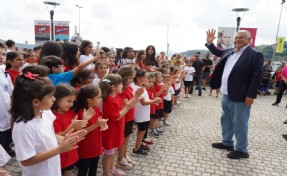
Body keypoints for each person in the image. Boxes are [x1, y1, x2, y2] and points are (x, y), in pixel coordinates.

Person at [10, 73, 86, 176]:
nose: (54, 99)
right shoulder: (23, 127)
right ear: (36, 102)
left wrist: (64, 139)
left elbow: (50, 135)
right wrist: (59, 149)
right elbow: (26, 160)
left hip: (52, 170)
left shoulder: (45, 113)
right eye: (50, 97)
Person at [205, 29, 263, 159]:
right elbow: (217, 52)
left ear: (249, 40)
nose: (237, 40)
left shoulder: (255, 54)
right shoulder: (230, 51)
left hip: (241, 96)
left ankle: (242, 150)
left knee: (240, 123)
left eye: (241, 38)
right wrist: (209, 43)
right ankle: (227, 143)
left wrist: (250, 95)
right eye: (236, 38)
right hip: (226, 93)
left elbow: (257, 77)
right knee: (225, 119)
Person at [99, 74, 139, 176]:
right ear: (113, 87)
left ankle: (111, 169)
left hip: (116, 129)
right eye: (120, 84)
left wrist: (133, 100)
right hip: (111, 131)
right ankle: (106, 173)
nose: (122, 86)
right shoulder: (109, 100)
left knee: (113, 152)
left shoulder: (115, 97)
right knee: (108, 154)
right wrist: (127, 107)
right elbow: (116, 116)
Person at [52, 84, 90, 176]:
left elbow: (78, 131)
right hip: (60, 154)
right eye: (68, 101)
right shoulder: (52, 116)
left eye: (73, 101)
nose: (71, 104)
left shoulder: (71, 113)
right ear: (57, 99)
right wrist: (71, 126)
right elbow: (58, 137)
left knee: (69, 171)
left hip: (71, 152)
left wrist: (84, 120)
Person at [74, 85, 108, 176]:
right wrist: (97, 124)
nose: (101, 99)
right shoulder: (82, 113)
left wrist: (101, 124)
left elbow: (97, 121)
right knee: (83, 171)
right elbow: (82, 131)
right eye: (98, 97)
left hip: (95, 146)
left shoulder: (95, 108)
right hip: (86, 148)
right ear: (89, 100)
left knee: (94, 169)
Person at [132, 70, 161, 156]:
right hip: (141, 113)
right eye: (145, 77)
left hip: (144, 113)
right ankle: (136, 148)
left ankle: (140, 145)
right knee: (141, 131)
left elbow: (146, 100)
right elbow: (143, 102)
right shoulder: (138, 88)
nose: (146, 79)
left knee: (143, 130)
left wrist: (153, 101)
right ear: (138, 78)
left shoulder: (141, 87)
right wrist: (154, 101)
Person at [0, 43, 15, 158]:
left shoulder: (5, 74)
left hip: (5, 112)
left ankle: (6, 151)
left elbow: (11, 93)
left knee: (5, 134)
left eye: (3, 54)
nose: (1, 57)